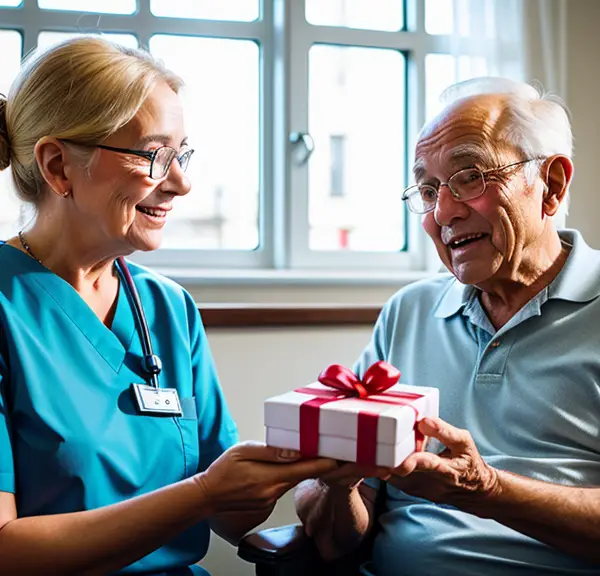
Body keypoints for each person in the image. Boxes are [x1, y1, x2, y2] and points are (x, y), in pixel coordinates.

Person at [0, 36, 339, 575]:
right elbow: (7, 551)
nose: (181, 182)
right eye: (154, 156)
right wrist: (203, 493)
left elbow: (231, 517)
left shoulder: (168, 308)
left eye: (181, 154)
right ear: (59, 166)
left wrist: (306, 466)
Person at [295, 77, 600, 575]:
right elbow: (335, 542)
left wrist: (488, 489)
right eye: (429, 189)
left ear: (552, 184)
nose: (443, 212)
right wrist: (335, 481)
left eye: (470, 176)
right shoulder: (408, 311)